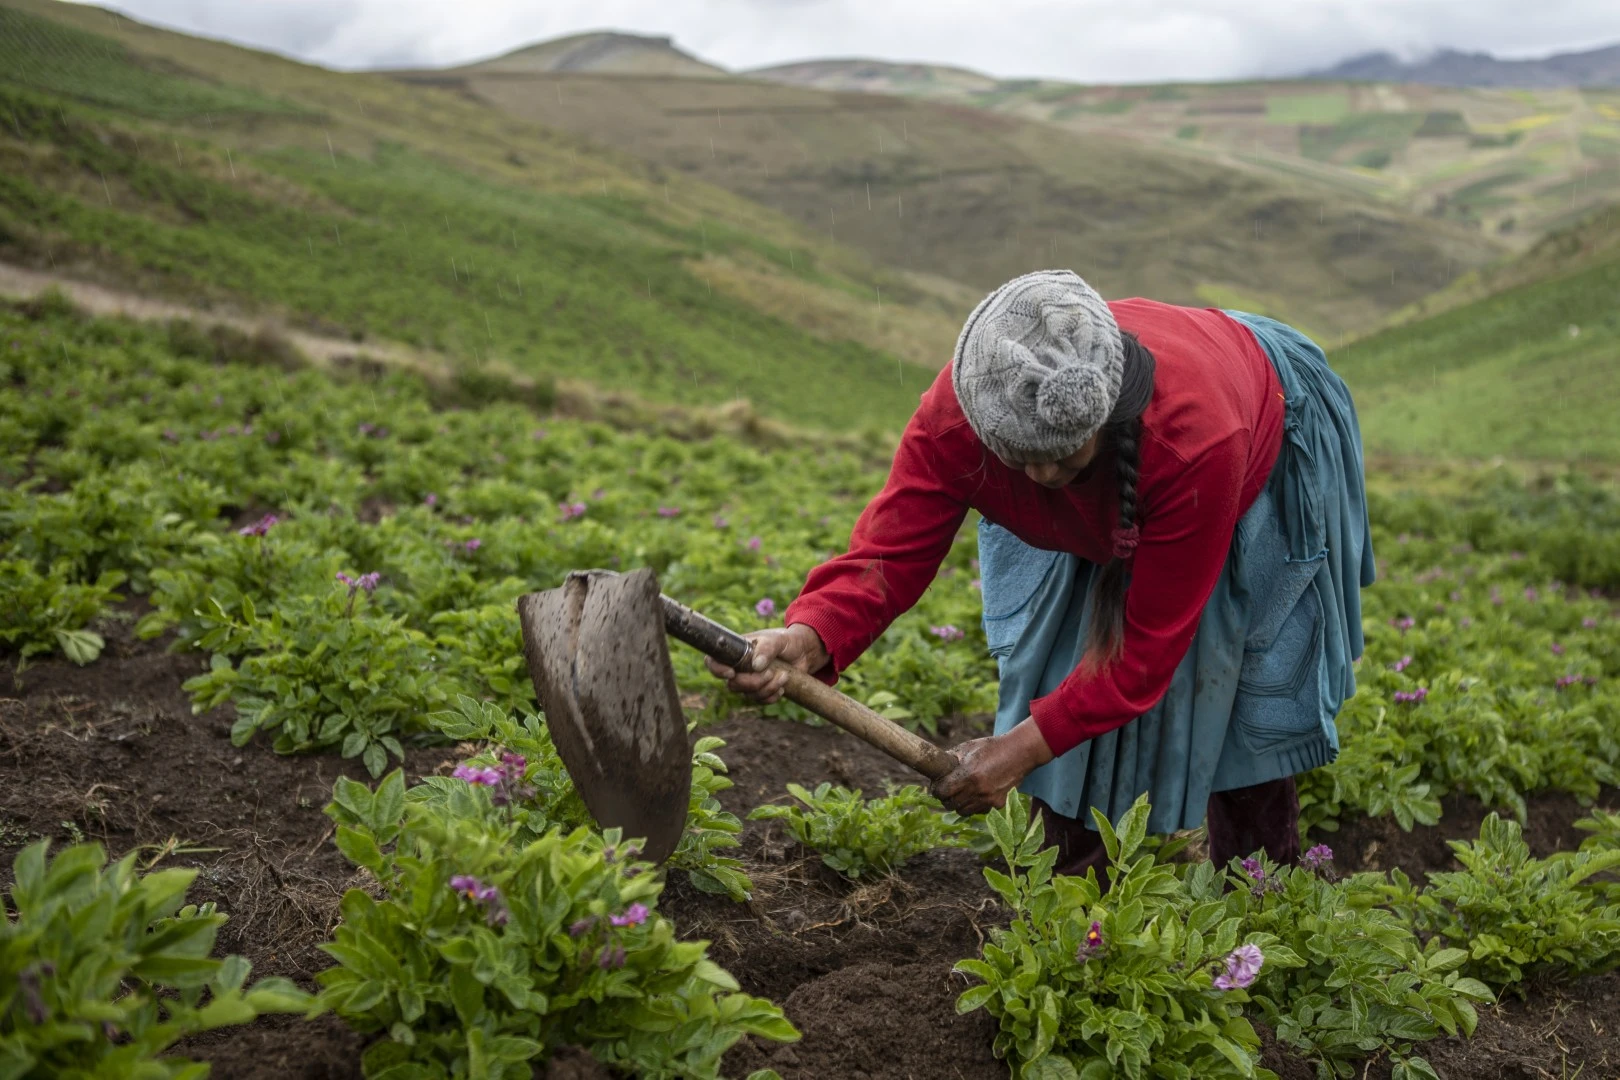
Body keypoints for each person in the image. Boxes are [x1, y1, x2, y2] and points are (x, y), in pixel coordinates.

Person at [707, 270, 1374, 879]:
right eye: (1025, 460)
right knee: (1057, 681)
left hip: (1252, 414)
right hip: (1138, 463)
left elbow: (1143, 654)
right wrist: (809, 634)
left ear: (1107, 413)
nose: (1046, 478)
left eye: (1066, 460)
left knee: (1235, 688)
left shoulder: (1195, 440)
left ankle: (1265, 896)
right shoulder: (957, 417)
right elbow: (889, 555)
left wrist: (1019, 749)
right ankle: (1072, 900)